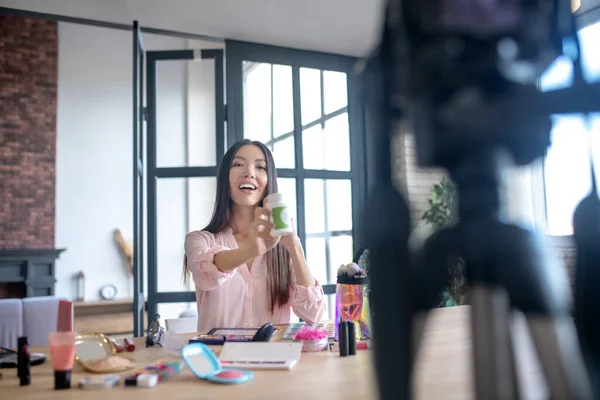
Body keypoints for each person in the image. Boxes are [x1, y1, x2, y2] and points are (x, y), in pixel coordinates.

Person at [183, 139, 326, 331]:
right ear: (225, 177)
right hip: (217, 358)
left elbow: (314, 315)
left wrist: (295, 247)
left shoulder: (283, 248)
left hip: (274, 358)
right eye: (238, 164)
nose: (249, 172)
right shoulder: (200, 240)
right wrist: (251, 250)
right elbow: (205, 273)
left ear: (269, 181)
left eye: (260, 167)